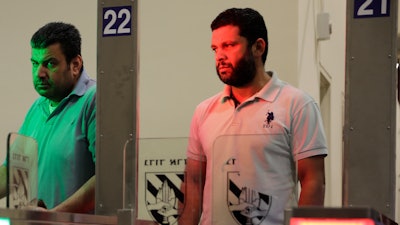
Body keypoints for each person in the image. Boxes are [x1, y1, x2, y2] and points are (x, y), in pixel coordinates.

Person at [179, 8, 328, 225]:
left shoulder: (297, 104)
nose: (219, 56)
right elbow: (193, 182)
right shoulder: (204, 111)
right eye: (215, 48)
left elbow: (313, 181)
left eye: (229, 46)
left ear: (258, 47)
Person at [0, 22, 96, 213]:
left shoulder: (94, 100)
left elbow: (109, 178)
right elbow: (14, 172)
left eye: (50, 63)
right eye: (35, 63)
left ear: (75, 64)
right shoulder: (38, 107)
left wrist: (53, 217)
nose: (39, 73)